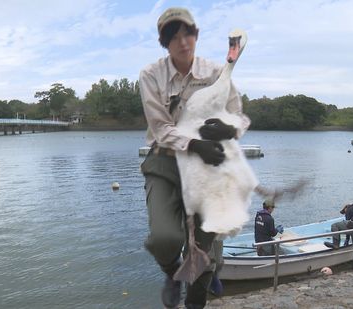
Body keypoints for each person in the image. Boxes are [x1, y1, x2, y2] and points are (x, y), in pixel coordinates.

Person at [138, 7, 250, 309]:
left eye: (187, 33)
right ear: (164, 43)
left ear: (196, 35)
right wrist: (194, 144)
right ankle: (171, 273)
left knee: (203, 242)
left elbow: (239, 116)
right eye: (173, 36)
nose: (182, 41)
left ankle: (198, 294)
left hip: (208, 163)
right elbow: (161, 128)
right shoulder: (150, 75)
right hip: (165, 160)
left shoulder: (216, 72)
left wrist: (231, 128)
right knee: (163, 238)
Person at [324, 203, 353, 269]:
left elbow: (348, 226)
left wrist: (347, 240)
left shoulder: (349, 209)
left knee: (335, 226)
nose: (345, 213)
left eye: (344, 212)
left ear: (346, 208)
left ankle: (336, 244)